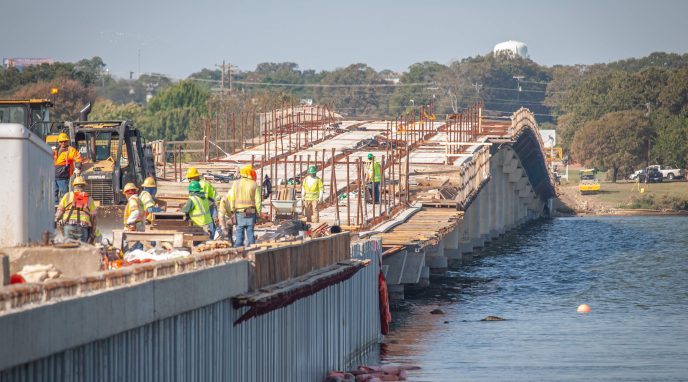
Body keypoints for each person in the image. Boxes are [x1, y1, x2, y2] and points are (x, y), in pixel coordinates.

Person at [54, 176, 97, 243]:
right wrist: (92, 232)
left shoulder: (67, 196)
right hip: (82, 227)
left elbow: (59, 212)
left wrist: (56, 220)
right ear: (84, 187)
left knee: (69, 249)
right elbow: (93, 218)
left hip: (68, 226)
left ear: (74, 186)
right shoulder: (89, 199)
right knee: (82, 250)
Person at [228, 165, 262, 247]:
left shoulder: (235, 183)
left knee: (239, 232)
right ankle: (253, 250)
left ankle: (237, 252)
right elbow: (258, 201)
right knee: (250, 232)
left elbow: (231, 197)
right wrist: (258, 212)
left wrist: (232, 210)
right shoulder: (254, 184)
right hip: (251, 212)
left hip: (239, 212)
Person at [186, 167, 217, 237]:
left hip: (211, 204)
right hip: (207, 204)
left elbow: (202, 199)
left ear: (196, 176)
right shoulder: (196, 184)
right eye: (188, 178)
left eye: (191, 178)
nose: (189, 180)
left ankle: (211, 239)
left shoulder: (202, 184)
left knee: (210, 224)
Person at [53, 132, 82, 203]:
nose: (63, 143)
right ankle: (54, 210)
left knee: (64, 195)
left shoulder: (70, 150)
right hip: (53, 176)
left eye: (65, 141)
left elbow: (78, 157)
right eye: (61, 141)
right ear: (59, 142)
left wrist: (78, 167)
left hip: (63, 176)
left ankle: (65, 209)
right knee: (53, 194)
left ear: (67, 141)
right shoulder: (56, 150)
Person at [122, 183, 145, 250]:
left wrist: (129, 222)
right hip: (140, 226)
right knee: (139, 249)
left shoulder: (132, 200)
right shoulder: (138, 200)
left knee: (131, 248)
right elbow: (143, 213)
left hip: (134, 227)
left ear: (127, 193)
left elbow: (136, 212)